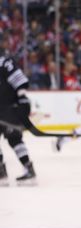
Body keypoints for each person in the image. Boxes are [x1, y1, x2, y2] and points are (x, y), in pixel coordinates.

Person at [0, 54, 37, 186]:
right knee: (15, 139)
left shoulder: (3, 61)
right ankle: (27, 169)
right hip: (8, 108)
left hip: (8, 107)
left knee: (14, 139)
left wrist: (22, 98)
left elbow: (20, 80)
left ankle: (3, 173)